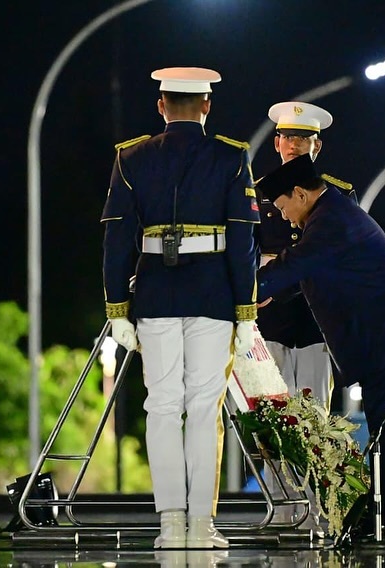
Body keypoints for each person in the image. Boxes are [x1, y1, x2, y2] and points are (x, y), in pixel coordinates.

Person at [101, 66, 259, 549]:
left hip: (154, 294)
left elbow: (115, 239)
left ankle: (170, 525)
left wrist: (117, 308)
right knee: (202, 408)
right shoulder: (231, 158)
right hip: (212, 293)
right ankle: (200, 525)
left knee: (162, 407)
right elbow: (242, 240)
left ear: (160, 105)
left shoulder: (132, 158)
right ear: (207, 106)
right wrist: (246, 311)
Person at [254, 154, 385, 544]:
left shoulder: (330, 220)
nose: (285, 217)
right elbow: (302, 274)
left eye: (285, 207)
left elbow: (294, 264)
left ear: (301, 193)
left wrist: (244, 290)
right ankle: (382, 519)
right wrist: (264, 292)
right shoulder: (329, 216)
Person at [255, 101, 356, 533]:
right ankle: (282, 510)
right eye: (287, 138)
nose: (294, 146)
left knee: (315, 422)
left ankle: (318, 511)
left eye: (303, 139)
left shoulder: (337, 194)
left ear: (318, 145)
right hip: (270, 326)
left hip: (315, 327)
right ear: (276, 142)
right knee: (271, 423)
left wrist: (280, 266)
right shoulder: (257, 192)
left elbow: (327, 260)